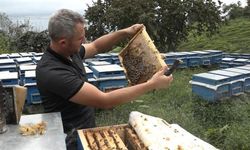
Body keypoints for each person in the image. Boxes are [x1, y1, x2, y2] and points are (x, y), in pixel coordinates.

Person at [36, 9, 173, 150]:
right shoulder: (52, 72)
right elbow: (104, 100)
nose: (84, 41)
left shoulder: (70, 52)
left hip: (84, 131)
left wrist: (125, 32)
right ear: (63, 42)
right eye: (80, 39)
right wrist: (151, 84)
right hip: (67, 140)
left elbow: (96, 46)